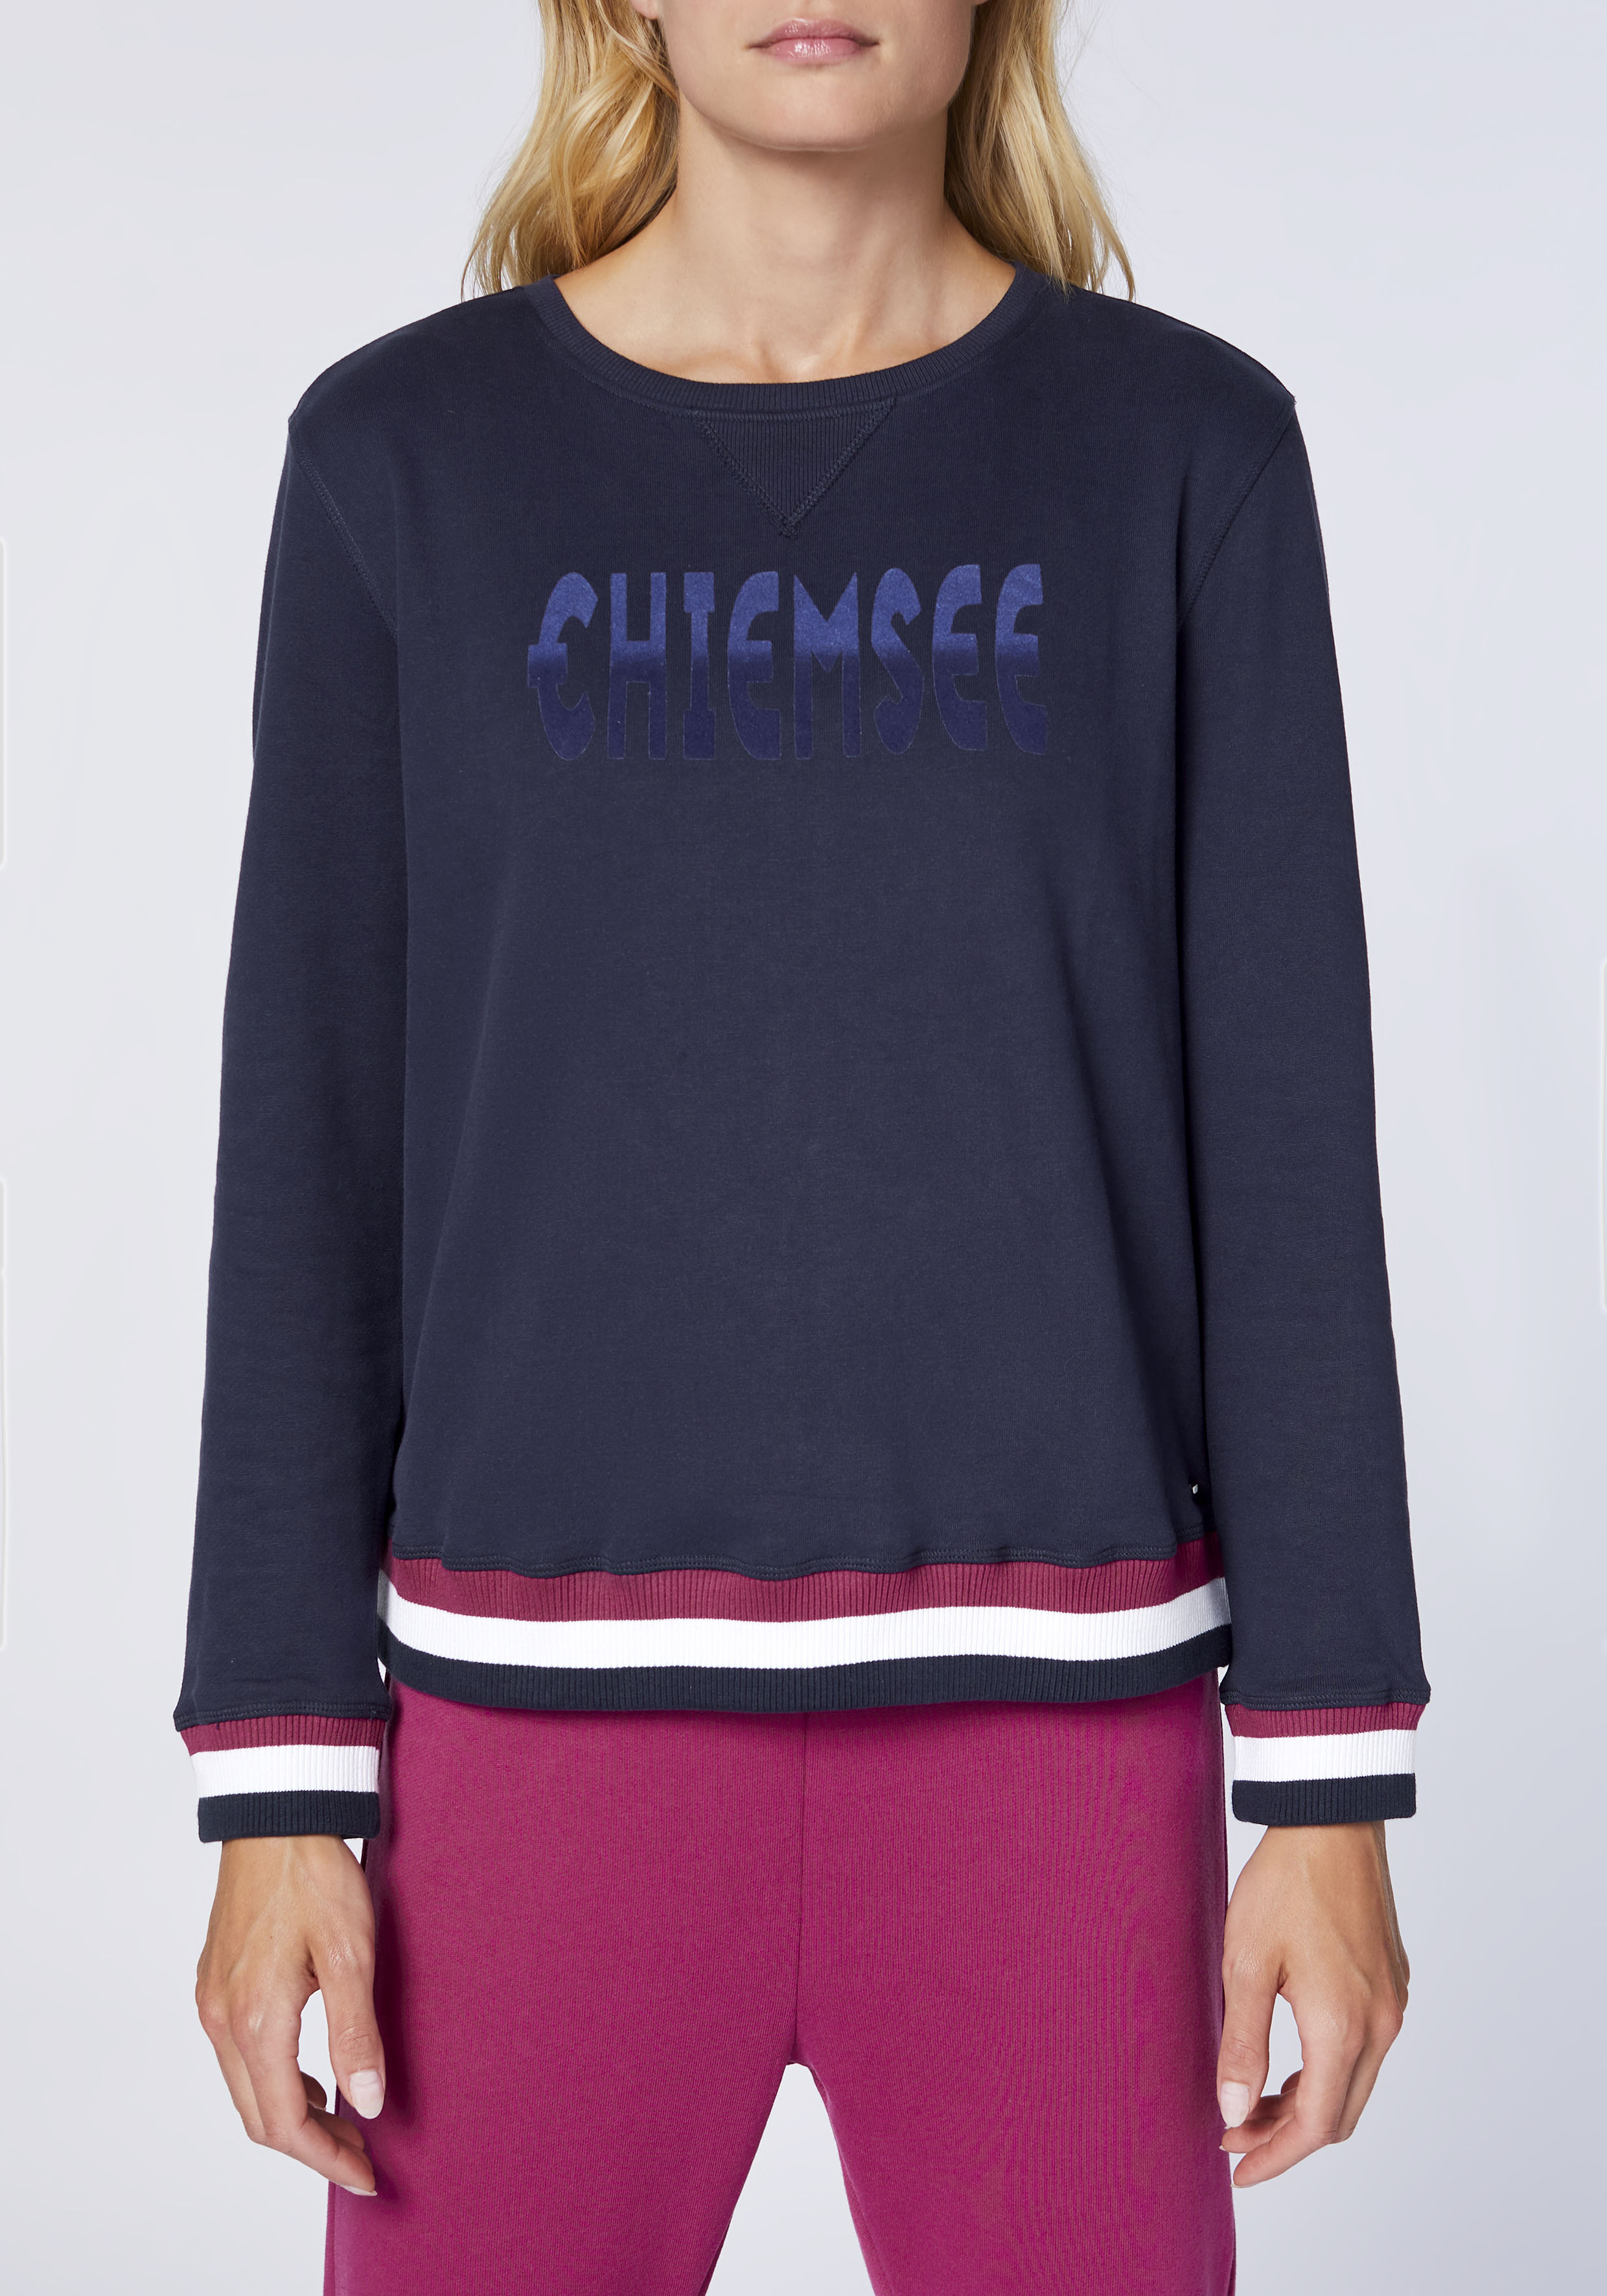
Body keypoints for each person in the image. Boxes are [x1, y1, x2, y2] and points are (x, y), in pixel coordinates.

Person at [177, 2, 1429, 2289]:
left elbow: (1284, 1142)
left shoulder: (1188, 458)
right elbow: (312, 1145)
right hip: (526, 1742)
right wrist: (279, 1780)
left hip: (1059, 1746)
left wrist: (1328, 1779)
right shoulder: (399, 467)